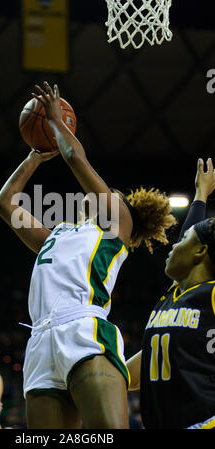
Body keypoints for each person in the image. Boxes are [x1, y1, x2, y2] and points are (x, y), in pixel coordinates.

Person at [0, 81, 177, 429]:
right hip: (39, 340)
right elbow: (4, 203)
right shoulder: (55, 235)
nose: (103, 195)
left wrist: (55, 122)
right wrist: (35, 155)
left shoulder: (115, 227)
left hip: (83, 328)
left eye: (112, 194)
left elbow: (75, 157)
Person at [127, 158, 215, 429]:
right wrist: (201, 195)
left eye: (183, 243)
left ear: (200, 252)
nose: (172, 248)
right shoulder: (174, 295)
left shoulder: (211, 294)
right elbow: (150, 358)